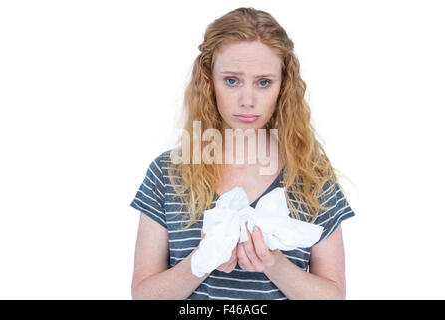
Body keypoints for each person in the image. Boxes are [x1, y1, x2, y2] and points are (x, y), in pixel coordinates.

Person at [129, 7, 355, 300]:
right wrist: (201, 263)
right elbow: (143, 295)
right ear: (209, 82)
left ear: (283, 87)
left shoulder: (312, 176)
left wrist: (274, 264)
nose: (247, 100)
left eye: (263, 82)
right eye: (232, 80)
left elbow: (334, 295)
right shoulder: (167, 172)